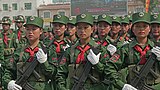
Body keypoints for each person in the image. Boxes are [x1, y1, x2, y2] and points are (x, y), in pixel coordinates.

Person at [104, 12, 160, 90]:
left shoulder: (157, 48)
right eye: (138, 26)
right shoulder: (125, 49)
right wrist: (122, 85)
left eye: (145, 26)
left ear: (149, 28)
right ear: (133, 29)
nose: (141, 29)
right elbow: (109, 68)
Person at [56, 13, 110, 90]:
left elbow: (108, 74)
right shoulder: (70, 51)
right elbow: (60, 74)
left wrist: (97, 65)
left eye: (85, 28)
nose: (82, 31)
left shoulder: (100, 49)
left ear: (92, 29)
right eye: (79, 28)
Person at [2, 16, 56, 90]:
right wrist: (8, 83)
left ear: (41, 31)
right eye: (28, 29)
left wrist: (44, 63)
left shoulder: (48, 50)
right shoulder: (19, 51)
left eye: (34, 29)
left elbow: (54, 74)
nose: (30, 32)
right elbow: (9, 71)